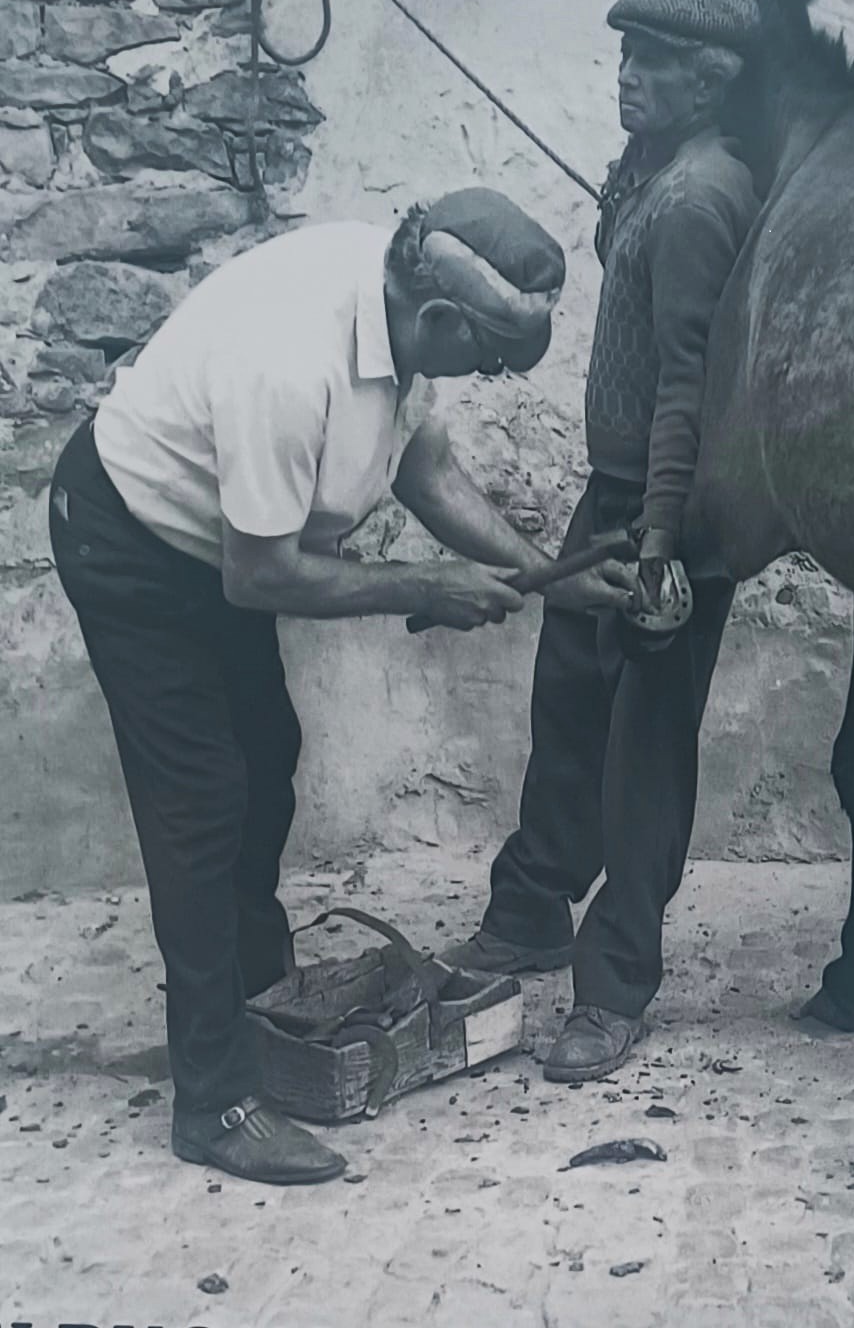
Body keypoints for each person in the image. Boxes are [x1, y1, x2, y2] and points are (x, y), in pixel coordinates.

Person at [48, 188, 637, 1185]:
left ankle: (256, 1005)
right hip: (131, 544)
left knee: (265, 764)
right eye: (487, 356)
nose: (489, 374)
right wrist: (421, 586)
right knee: (198, 801)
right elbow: (260, 574)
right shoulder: (293, 360)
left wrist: (554, 572)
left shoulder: (404, 306)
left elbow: (430, 474)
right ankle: (215, 1100)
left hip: (213, 546)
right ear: (440, 319)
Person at [440, 0, 762, 1083]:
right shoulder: (658, 181)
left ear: (706, 79)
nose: (626, 73)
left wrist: (662, 543)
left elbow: (687, 386)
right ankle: (529, 908)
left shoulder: (702, 198)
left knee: (644, 752)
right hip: (611, 489)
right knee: (566, 703)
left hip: (669, 513)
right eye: (623, 54)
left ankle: (616, 980)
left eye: (651, 61)